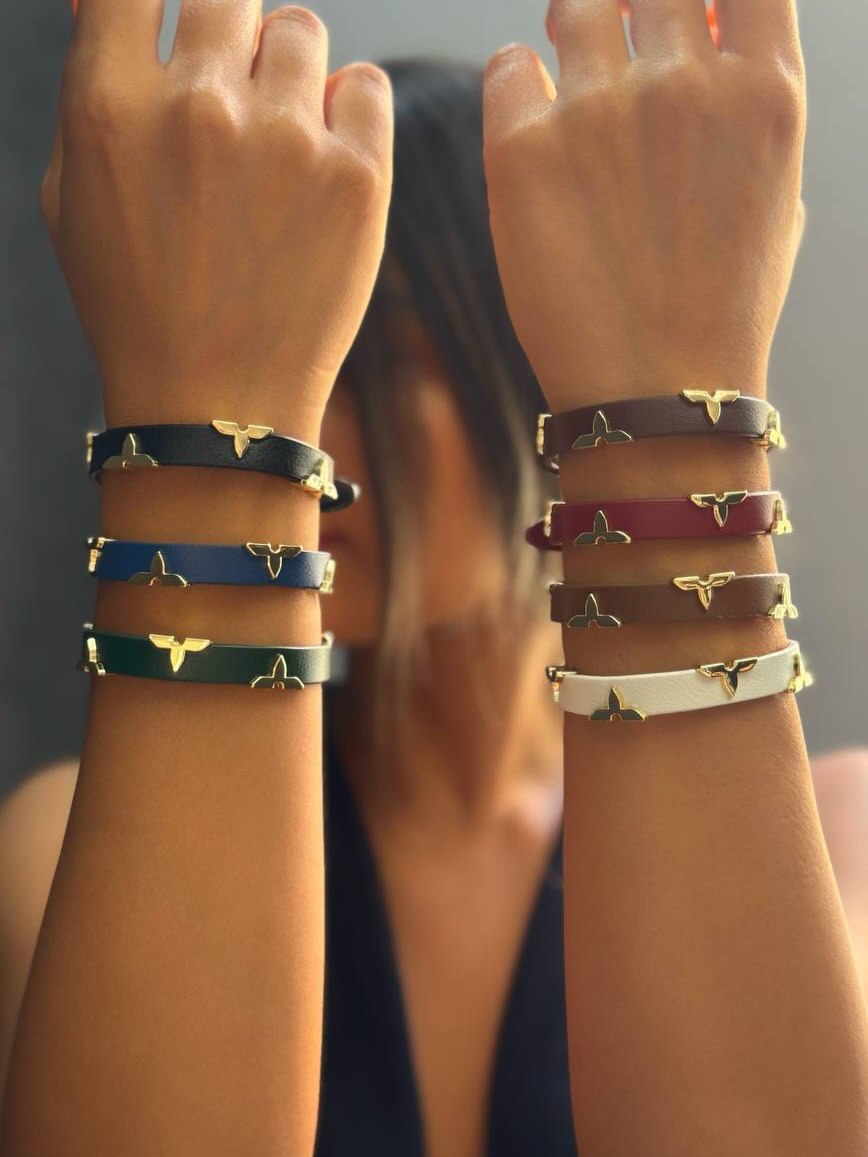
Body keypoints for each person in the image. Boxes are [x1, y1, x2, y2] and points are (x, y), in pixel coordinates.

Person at [1, 3, 868, 1155]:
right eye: (300, 366)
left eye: (388, 359)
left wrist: (665, 398)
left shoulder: (838, 843)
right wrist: (203, 420)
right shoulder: (66, 845)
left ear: (538, 359)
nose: (309, 437)